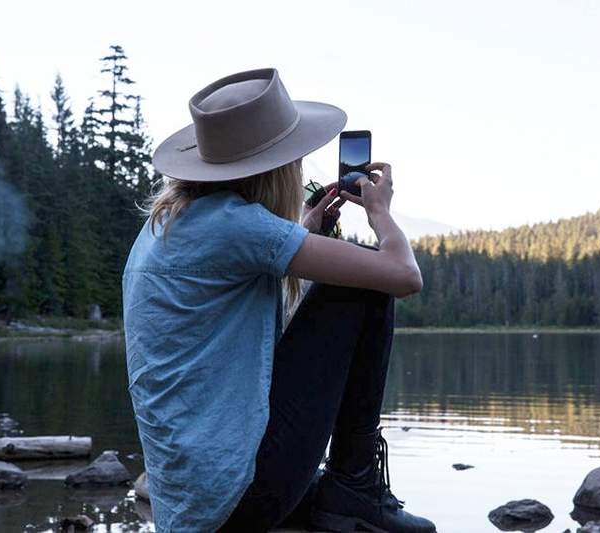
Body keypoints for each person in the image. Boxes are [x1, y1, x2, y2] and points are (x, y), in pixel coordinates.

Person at [122, 67, 437, 533]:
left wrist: (303, 230)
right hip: (236, 502)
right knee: (365, 283)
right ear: (274, 168)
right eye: (295, 159)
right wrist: (380, 214)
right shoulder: (239, 226)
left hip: (191, 503)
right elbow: (402, 276)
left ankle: (345, 489)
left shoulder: (166, 226)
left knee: (347, 278)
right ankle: (355, 487)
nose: (298, 169)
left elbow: (235, 319)